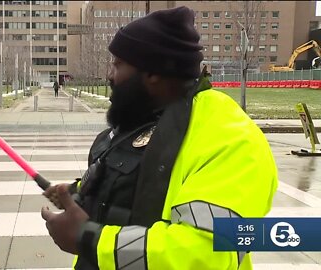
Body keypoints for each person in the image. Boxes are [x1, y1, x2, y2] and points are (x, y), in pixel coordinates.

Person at [41, 6, 278, 270]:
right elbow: (135, 180)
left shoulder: (232, 139)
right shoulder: (144, 116)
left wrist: (89, 239)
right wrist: (78, 191)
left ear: (152, 72)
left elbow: (206, 252)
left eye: (118, 65)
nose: (110, 75)